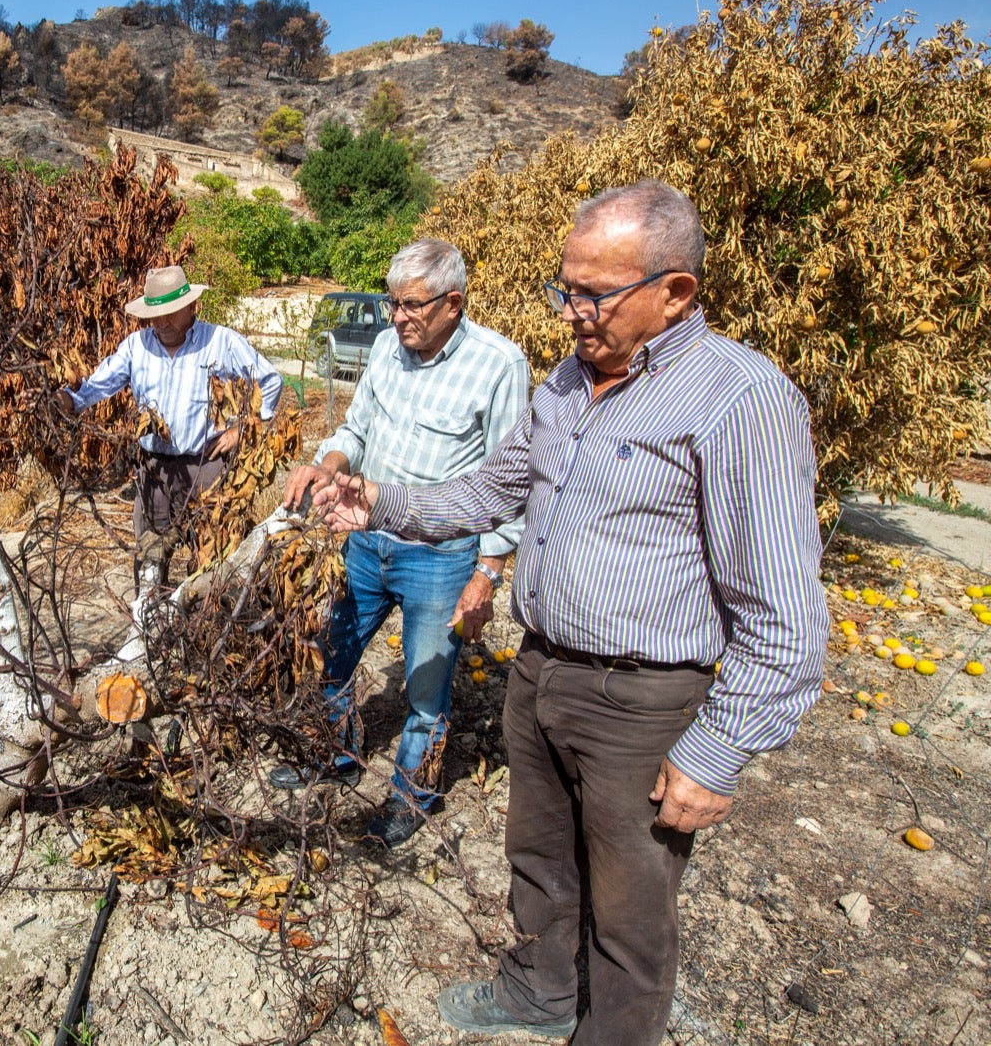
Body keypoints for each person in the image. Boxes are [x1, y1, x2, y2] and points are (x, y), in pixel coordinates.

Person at [314, 181, 828, 1043]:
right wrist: (382, 505)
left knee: (630, 905)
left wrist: (720, 747)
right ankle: (539, 993)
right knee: (540, 862)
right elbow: (492, 488)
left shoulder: (737, 398)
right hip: (544, 668)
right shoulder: (565, 384)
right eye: (566, 288)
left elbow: (783, 610)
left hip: (642, 700)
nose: (571, 313)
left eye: (595, 293)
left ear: (675, 292)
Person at [273, 239, 528, 848]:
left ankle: (412, 798)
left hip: (439, 560)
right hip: (366, 542)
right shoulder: (388, 347)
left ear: (453, 303)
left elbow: (508, 482)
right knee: (330, 651)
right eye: (392, 303)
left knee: (425, 689)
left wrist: (486, 573)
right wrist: (326, 466)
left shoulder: (499, 366)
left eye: (410, 305)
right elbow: (355, 428)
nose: (396, 317)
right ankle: (334, 755)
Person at [56, 264, 283, 592]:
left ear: (192, 306)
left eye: (170, 313)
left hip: (207, 468)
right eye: (154, 314)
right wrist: (67, 400)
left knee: (214, 563)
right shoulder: (136, 346)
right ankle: (152, 631)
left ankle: (202, 634)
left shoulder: (220, 341)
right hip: (155, 474)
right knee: (150, 564)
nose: (161, 322)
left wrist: (246, 428)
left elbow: (270, 379)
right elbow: (95, 386)